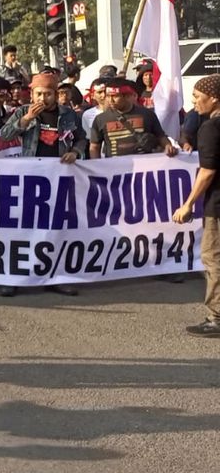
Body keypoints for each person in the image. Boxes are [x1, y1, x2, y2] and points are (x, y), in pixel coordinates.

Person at [0, 72, 86, 297]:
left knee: (56, 228)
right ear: (32, 94)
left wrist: (76, 151)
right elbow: (6, 134)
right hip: (30, 177)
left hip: (59, 177)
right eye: (38, 93)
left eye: (48, 94)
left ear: (56, 95)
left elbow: (81, 138)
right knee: (23, 227)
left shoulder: (68, 114)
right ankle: (13, 277)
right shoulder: (22, 111)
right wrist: (26, 119)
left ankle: (55, 276)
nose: (43, 98)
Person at [172, 75, 220, 336]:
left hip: (217, 205)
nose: (194, 102)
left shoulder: (210, 128)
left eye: (198, 96)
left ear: (214, 98)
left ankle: (217, 317)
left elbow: (207, 171)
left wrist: (188, 203)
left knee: (213, 259)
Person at [89, 78, 177, 159]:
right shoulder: (100, 119)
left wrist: (168, 146)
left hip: (144, 168)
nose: (110, 100)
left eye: (115, 96)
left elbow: (161, 136)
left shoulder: (147, 114)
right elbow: (95, 147)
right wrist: (96, 168)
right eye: (108, 96)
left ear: (127, 96)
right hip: (114, 171)